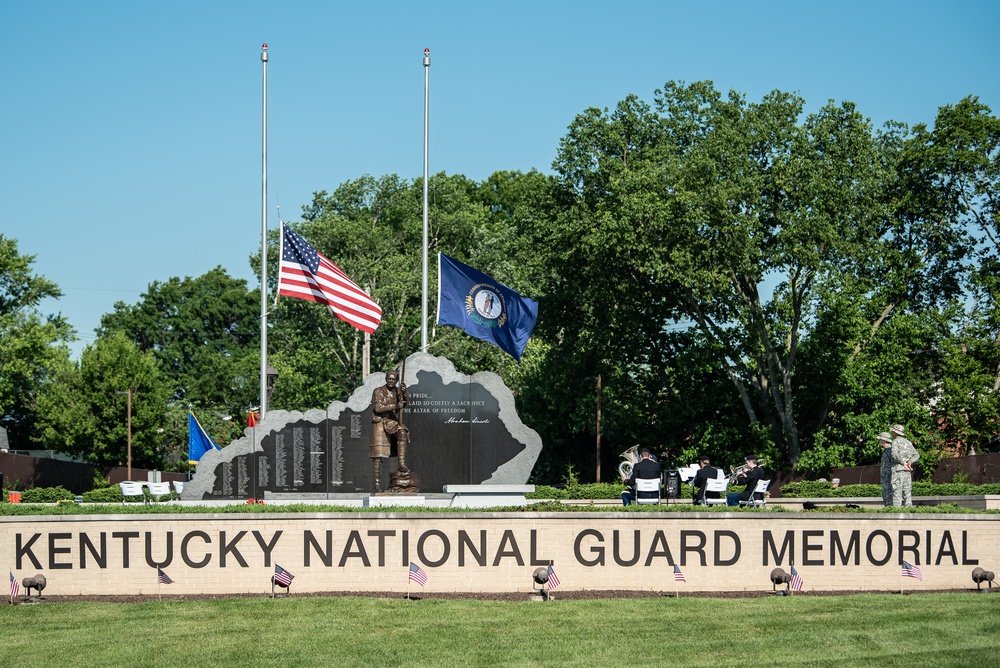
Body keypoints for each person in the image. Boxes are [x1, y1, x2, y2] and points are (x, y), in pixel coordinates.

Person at [369, 369, 410, 492]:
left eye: (393, 379)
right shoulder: (378, 391)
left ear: (396, 381)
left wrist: (405, 393)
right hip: (380, 422)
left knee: (402, 432)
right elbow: (378, 408)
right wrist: (395, 406)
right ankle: (377, 485)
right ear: (386, 379)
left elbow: (405, 404)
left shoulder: (398, 392)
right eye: (389, 379)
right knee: (378, 455)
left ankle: (401, 465)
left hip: (391, 421)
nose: (391, 381)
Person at [890, 423, 919, 507]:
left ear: (895, 432)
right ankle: (909, 511)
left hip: (898, 470)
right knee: (907, 492)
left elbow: (894, 454)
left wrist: (903, 462)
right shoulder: (908, 442)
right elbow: (916, 455)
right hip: (907, 471)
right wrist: (909, 462)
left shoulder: (896, 441)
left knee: (897, 491)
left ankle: (897, 512)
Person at [878, 432, 894, 506]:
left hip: (888, 476)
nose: (879, 441)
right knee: (885, 493)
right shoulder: (886, 450)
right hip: (885, 476)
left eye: (880, 439)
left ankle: (889, 507)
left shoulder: (889, 450)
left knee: (888, 493)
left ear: (884, 440)